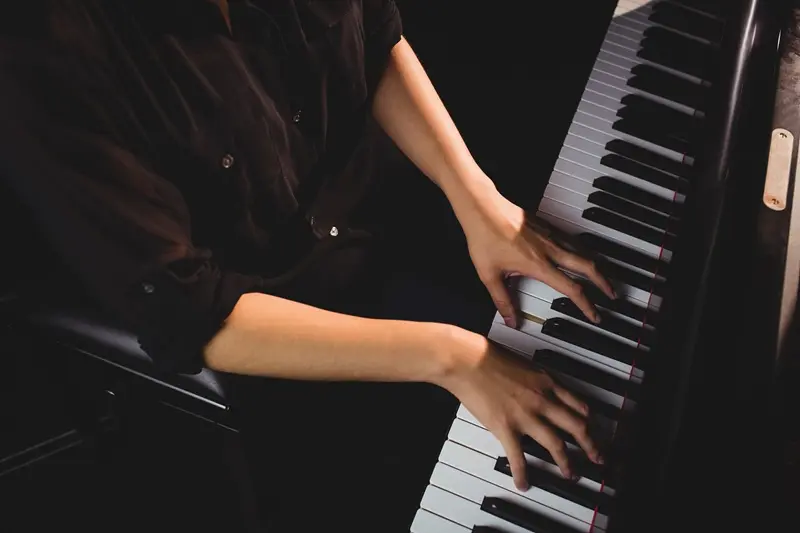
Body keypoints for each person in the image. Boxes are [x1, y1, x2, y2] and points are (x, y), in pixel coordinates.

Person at [0, 0, 614, 529]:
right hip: (282, 329)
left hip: (390, 217)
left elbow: (373, 34)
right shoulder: (43, 53)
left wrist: (479, 202)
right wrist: (452, 358)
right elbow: (193, 313)